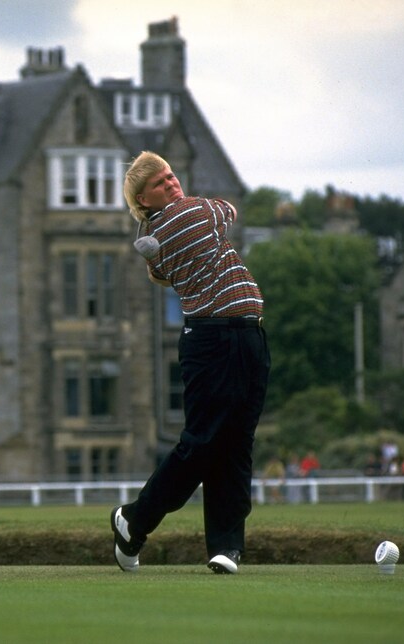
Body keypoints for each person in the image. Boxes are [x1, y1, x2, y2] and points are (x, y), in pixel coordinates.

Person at [111, 151, 270, 575]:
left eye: (171, 175)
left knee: (235, 443)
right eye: (160, 183)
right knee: (202, 444)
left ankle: (225, 546)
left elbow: (163, 260)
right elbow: (228, 209)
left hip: (247, 334)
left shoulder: (159, 235)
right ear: (144, 200)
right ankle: (134, 519)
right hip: (214, 339)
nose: (172, 183)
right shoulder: (189, 214)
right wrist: (212, 219)